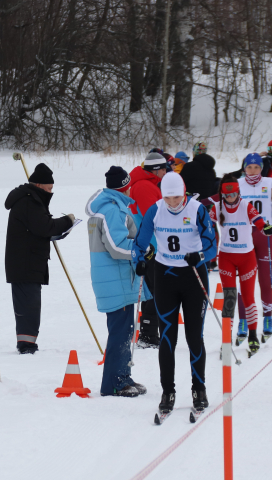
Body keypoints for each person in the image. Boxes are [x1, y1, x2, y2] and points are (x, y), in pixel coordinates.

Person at [131, 172, 218, 417]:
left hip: (194, 276)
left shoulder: (197, 209)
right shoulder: (155, 210)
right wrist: (140, 258)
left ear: (184, 192)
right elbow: (141, 240)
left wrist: (200, 256)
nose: (173, 203)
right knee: (167, 337)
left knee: (194, 336)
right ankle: (167, 391)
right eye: (168, 198)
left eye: (177, 197)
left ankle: (198, 389)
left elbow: (211, 244)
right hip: (166, 276)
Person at [85, 166, 151, 396]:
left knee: (125, 329)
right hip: (116, 279)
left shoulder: (109, 207)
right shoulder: (113, 210)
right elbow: (116, 247)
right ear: (126, 186)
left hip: (115, 278)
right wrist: (141, 250)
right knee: (120, 332)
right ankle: (114, 383)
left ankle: (123, 376)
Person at [4, 163, 75, 353]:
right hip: (25, 263)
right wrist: (67, 221)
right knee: (29, 306)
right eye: (49, 188)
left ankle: (28, 342)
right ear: (38, 185)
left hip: (29, 261)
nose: (51, 192)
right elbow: (44, 226)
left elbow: (39, 228)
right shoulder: (29, 201)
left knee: (30, 306)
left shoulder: (32, 200)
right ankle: (27, 345)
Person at [210, 174, 272, 356]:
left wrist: (265, 227)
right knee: (229, 298)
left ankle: (252, 334)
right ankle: (226, 339)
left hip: (246, 257)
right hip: (226, 257)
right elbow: (205, 222)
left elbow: (258, 220)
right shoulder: (217, 207)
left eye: (233, 195)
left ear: (238, 193)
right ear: (222, 194)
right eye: (227, 195)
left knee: (248, 297)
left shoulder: (246, 205)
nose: (230, 199)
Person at [235, 153, 272, 344]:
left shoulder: (269, 182)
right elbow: (219, 198)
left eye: (256, 167)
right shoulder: (238, 183)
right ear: (244, 168)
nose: (252, 171)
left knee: (266, 279)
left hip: (265, 235)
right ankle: (243, 321)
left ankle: (268, 317)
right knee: (244, 280)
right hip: (244, 235)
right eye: (249, 167)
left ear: (261, 168)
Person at [127, 151, 169, 348]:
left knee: (154, 289)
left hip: (152, 244)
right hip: (151, 245)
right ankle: (148, 335)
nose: (166, 173)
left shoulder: (146, 183)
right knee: (155, 290)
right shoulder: (144, 186)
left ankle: (149, 333)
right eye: (164, 169)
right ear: (157, 170)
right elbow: (152, 217)